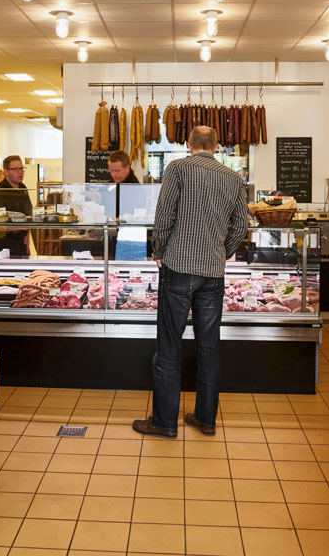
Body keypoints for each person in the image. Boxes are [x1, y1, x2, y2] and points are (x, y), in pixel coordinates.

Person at [133, 126, 247, 438]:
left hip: (179, 267)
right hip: (213, 273)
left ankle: (164, 423)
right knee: (209, 348)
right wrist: (222, 252)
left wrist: (159, 250)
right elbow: (241, 225)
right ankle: (205, 419)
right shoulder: (233, 177)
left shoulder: (178, 168)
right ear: (217, 145)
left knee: (169, 346)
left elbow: (164, 215)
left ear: (188, 144)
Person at [0, 155, 33, 256]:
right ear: (6, 171)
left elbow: (27, 217)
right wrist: (20, 227)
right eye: (15, 169)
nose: (20, 172)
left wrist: (27, 243)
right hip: (3, 244)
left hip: (20, 242)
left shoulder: (23, 188)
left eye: (21, 168)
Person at [105, 150, 143, 259]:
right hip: (113, 237)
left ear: (127, 168)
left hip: (130, 242)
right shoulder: (115, 184)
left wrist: (113, 219)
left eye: (117, 171)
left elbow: (137, 218)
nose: (113, 174)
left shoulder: (136, 189)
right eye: (111, 170)